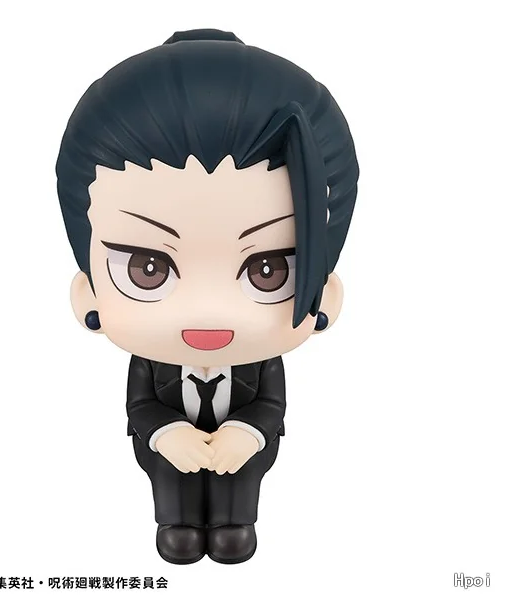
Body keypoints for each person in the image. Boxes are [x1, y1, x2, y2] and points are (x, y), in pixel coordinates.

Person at [55, 28, 359, 564]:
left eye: (268, 270)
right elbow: (140, 404)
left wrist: (248, 432)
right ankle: (175, 521)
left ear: (326, 294)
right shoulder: (151, 361)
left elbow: (271, 403)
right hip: (167, 452)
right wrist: (165, 433)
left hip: (244, 452)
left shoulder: (261, 361)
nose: (207, 311)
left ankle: (234, 522)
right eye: (147, 270)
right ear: (88, 295)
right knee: (175, 525)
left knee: (235, 524)